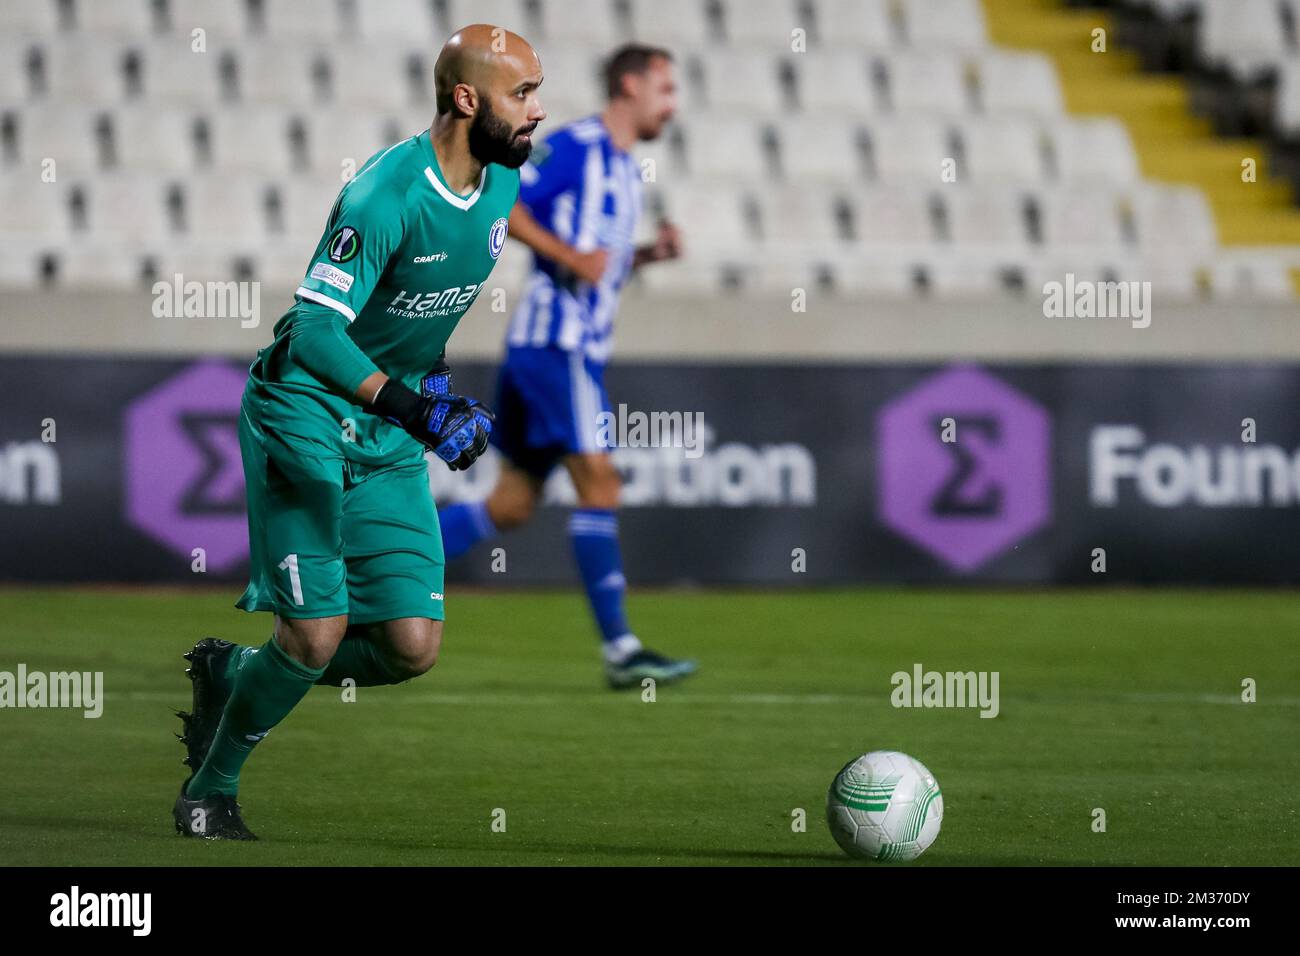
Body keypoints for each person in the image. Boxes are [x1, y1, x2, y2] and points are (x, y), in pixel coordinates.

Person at [172, 25, 546, 840]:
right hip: (302, 417)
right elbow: (314, 329)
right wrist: (416, 410)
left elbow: (426, 315)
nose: (536, 112)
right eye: (523, 94)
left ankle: (234, 672)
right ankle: (210, 791)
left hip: (383, 436)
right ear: (465, 98)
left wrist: (437, 392)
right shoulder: (386, 195)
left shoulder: (499, 193)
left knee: (411, 646)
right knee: (315, 634)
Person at [437, 45, 696, 690]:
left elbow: (595, 265)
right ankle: (621, 650)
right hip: (558, 347)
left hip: (555, 349)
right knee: (601, 484)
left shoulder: (623, 168)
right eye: (665, 88)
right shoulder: (577, 145)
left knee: (511, 503)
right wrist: (569, 256)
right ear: (630, 86)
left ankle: (367, 574)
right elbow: (507, 201)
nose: (673, 103)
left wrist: (644, 257)